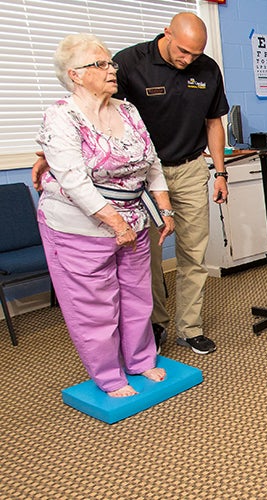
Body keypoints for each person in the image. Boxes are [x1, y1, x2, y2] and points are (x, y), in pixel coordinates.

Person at [34, 12, 230, 355]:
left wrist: (221, 171)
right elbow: (94, 110)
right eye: (183, 51)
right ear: (166, 33)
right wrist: (49, 153)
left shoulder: (208, 69)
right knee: (147, 258)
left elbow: (213, 122)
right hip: (141, 177)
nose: (188, 60)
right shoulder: (127, 63)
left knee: (194, 253)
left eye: (195, 55)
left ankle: (190, 326)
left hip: (189, 169)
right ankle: (155, 323)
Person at [36, 34, 175, 396]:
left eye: (110, 62)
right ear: (75, 75)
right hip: (79, 225)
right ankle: (109, 377)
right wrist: (115, 222)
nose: (112, 69)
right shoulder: (61, 115)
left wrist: (165, 209)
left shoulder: (128, 110)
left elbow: (152, 163)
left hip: (134, 219)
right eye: (100, 64)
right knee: (95, 307)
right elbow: (73, 180)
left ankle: (142, 360)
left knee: (137, 295)